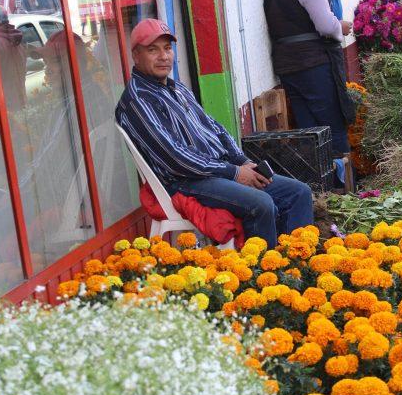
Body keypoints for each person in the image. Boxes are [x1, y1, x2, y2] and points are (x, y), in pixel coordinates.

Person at [115, 18, 314, 248]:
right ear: (136, 55)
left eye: (168, 48)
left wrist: (243, 162)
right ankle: (260, 273)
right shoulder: (138, 101)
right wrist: (233, 173)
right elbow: (175, 159)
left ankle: (296, 264)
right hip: (184, 181)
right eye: (153, 50)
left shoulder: (175, 88)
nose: (164, 56)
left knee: (298, 192)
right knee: (261, 203)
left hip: (215, 171)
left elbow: (214, 128)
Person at [263, 0, 354, 158]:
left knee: (307, 129)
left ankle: (318, 181)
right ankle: (340, 184)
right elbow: (325, 26)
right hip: (313, 64)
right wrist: (340, 27)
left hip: (287, 66)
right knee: (331, 123)